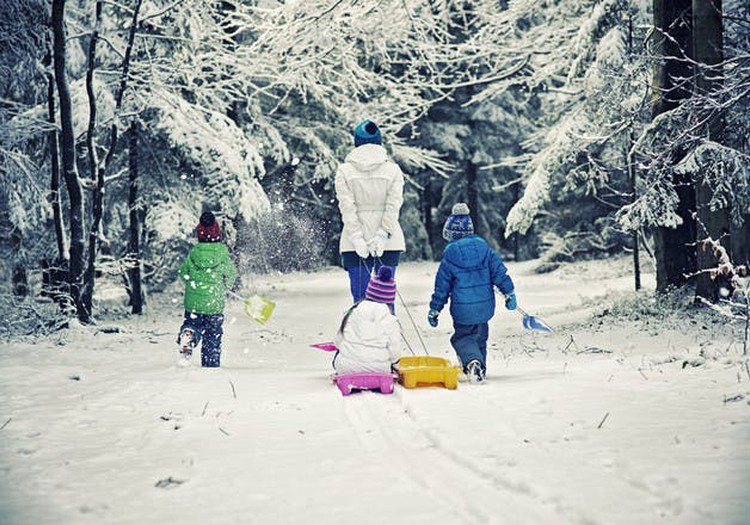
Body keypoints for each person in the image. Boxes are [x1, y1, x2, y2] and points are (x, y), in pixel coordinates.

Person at [427, 203, 516, 383]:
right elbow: (500, 274)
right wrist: (509, 293)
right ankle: (479, 368)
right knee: (480, 338)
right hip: (485, 307)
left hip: (462, 310)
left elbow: (441, 289)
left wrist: (435, 309)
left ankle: (473, 362)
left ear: (450, 234)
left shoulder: (449, 258)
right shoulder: (486, 251)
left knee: (463, 337)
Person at [335, 119, 406, 303]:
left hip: (353, 242)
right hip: (390, 242)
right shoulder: (393, 170)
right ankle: (388, 332)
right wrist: (383, 234)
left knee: (360, 299)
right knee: (385, 299)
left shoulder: (344, 171)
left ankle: (360, 332)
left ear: (356, 142)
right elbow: (393, 205)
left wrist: (357, 236)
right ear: (379, 141)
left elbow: (347, 207)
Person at [177, 211, 237, 367]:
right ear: (217, 233)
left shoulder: (194, 253)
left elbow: (183, 273)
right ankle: (210, 365)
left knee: (192, 322)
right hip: (213, 302)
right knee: (212, 335)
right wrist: (224, 286)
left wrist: (193, 283)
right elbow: (231, 274)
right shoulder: (222, 253)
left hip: (194, 302)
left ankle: (189, 333)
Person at [332, 265, 402, 375]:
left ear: (369, 293)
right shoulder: (390, 320)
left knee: (341, 353)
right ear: (389, 300)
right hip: (380, 369)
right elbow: (395, 354)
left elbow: (337, 341)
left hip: (346, 368)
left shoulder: (352, 312)